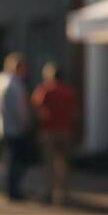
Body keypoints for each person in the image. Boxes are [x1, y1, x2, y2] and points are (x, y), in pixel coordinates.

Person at [31, 62, 77, 205]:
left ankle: (46, 192)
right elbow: (74, 112)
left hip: (48, 131)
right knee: (63, 165)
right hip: (65, 131)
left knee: (48, 164)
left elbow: (36, 109)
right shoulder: (69, 91)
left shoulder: (44, 90)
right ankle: (62, 194)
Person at [0, 53, 31, 201]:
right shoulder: (14, 84)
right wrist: (25, 123)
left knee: (6, 159)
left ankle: (6, 188)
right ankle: (12, 189)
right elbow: (18, 109)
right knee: (14, 160)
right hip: (13, 128)